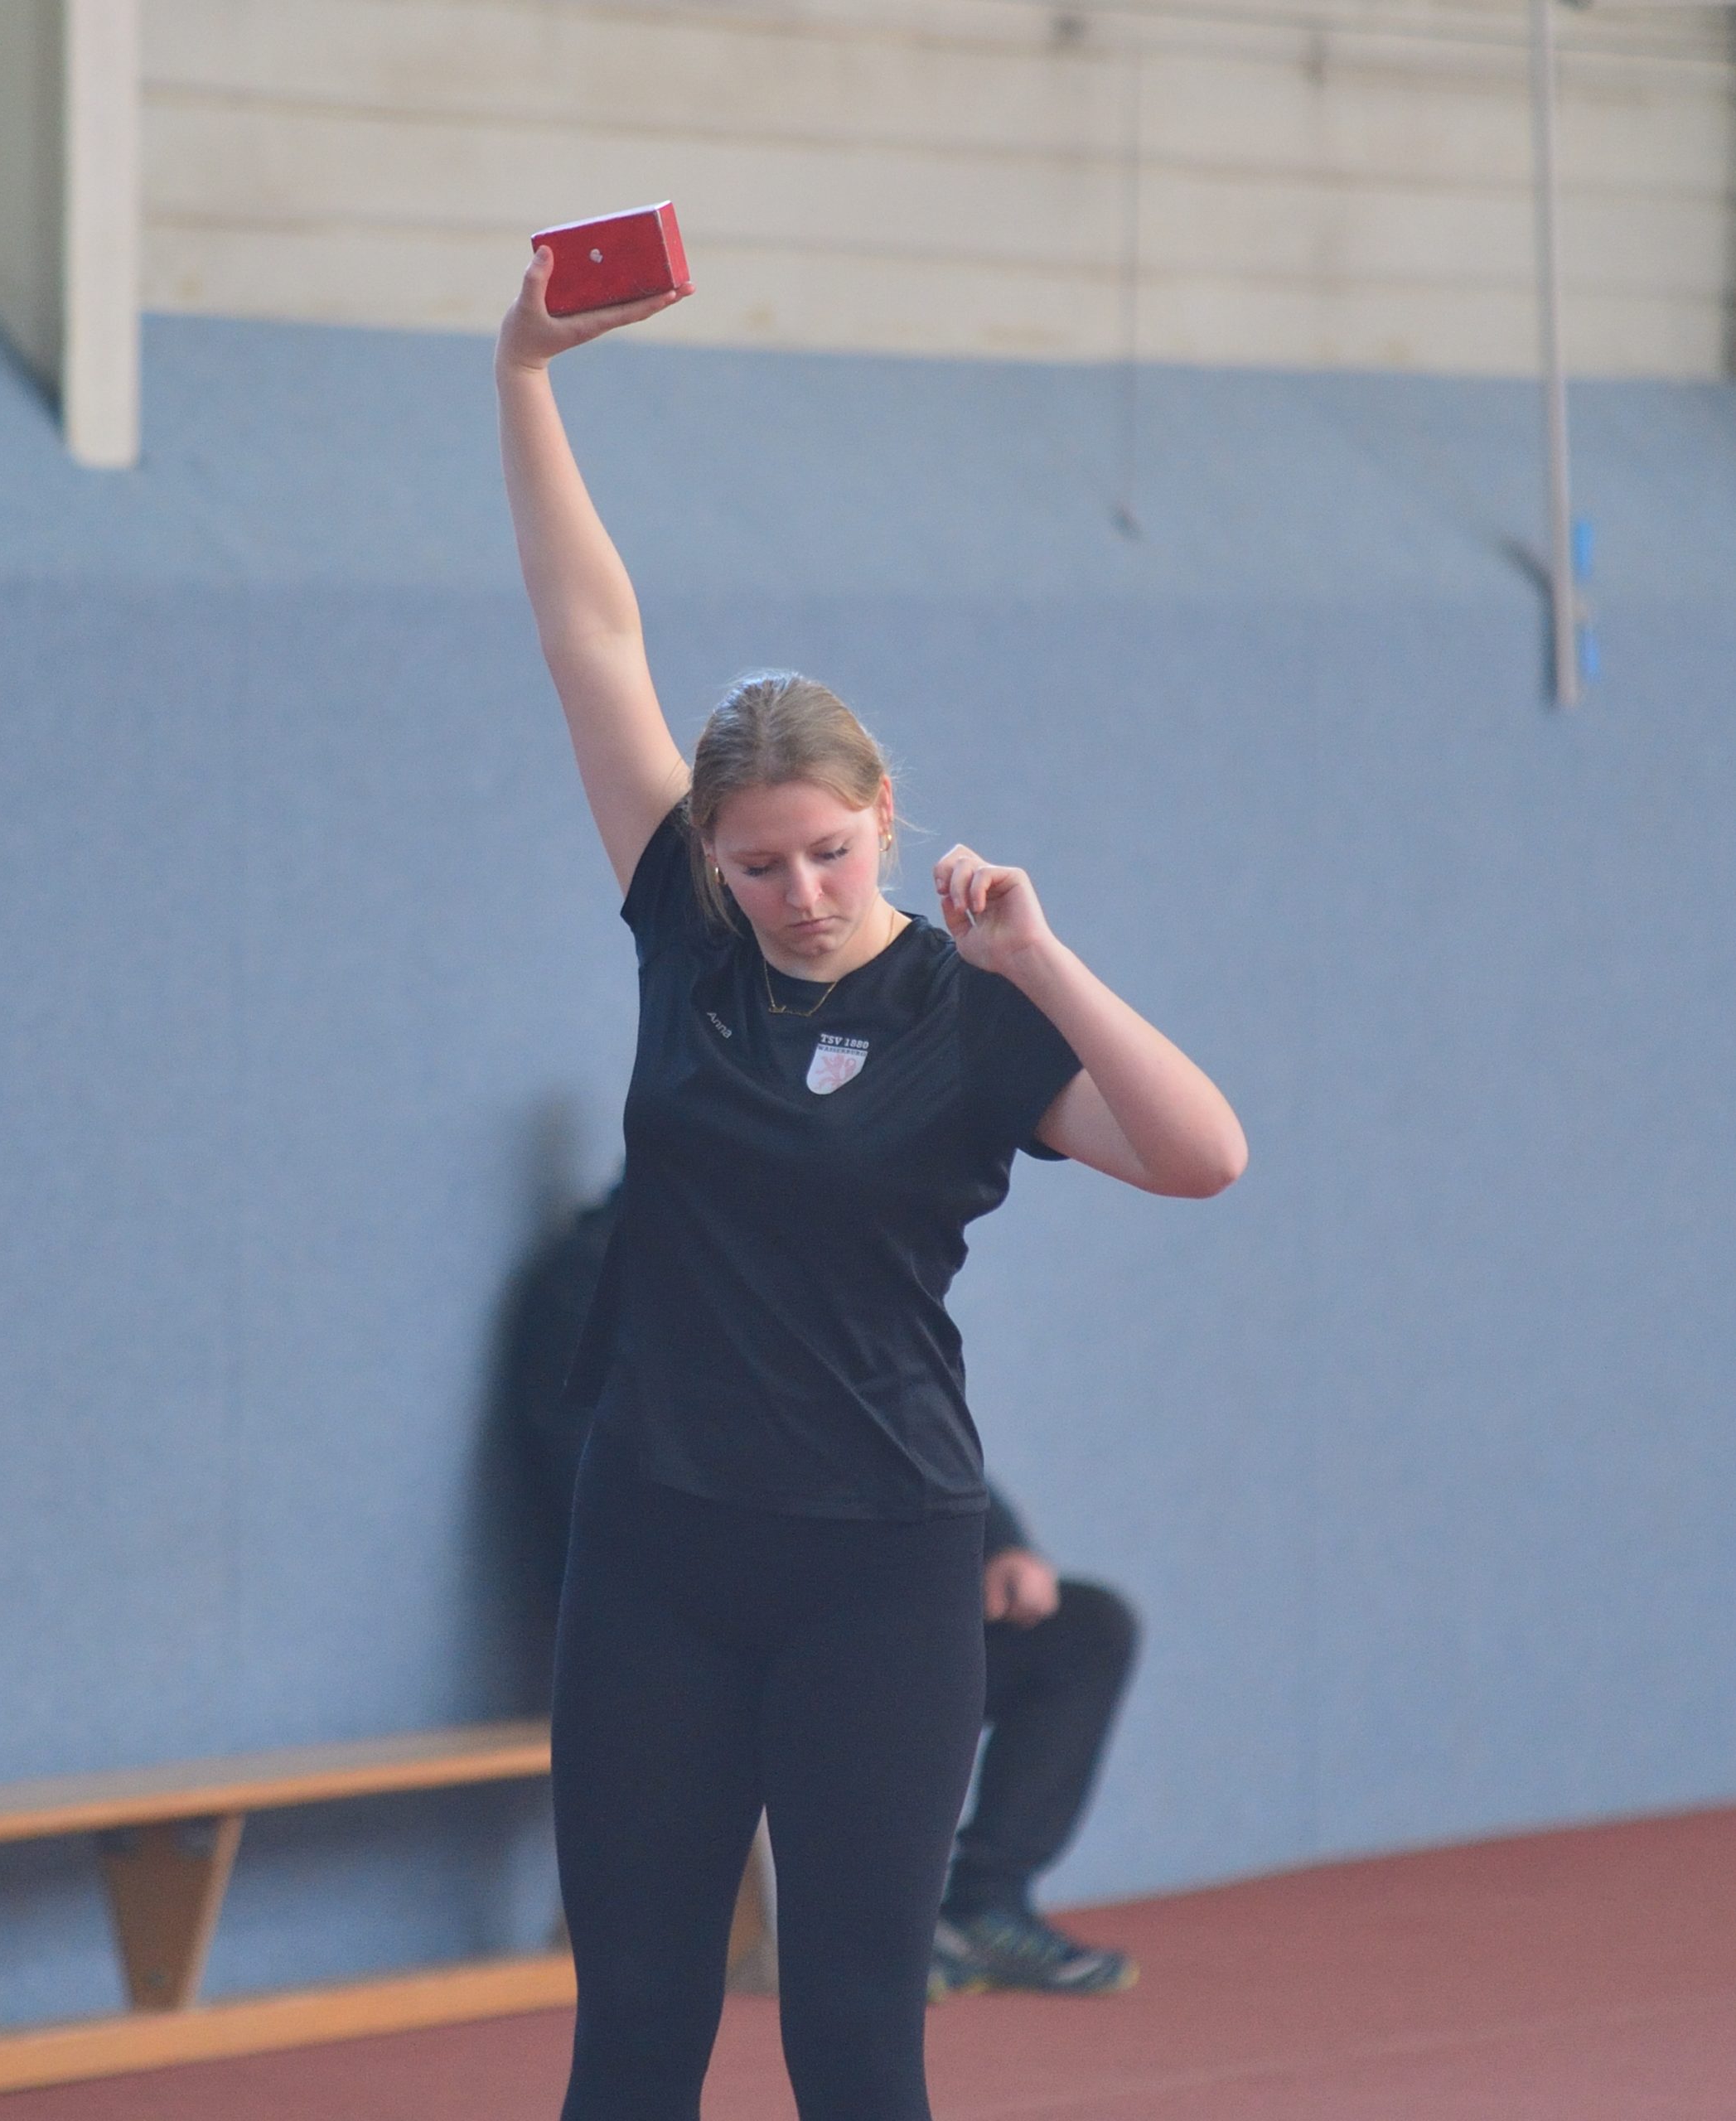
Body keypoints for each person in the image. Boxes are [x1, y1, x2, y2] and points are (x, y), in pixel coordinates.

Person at [496, 241, 1245, 2121]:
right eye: (757, 864)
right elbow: (591, 637)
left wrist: (1042, 959)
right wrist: (523, 372)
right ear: (709, 859)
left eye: (827, 851)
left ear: (883, 816)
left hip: (878, 1566)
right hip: (655, 1548)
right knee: (634, 2030)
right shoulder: (686, 943)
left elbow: (1200, 1155)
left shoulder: (973, 1013)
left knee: (851, 2038)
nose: (797, 893)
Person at [505, 1184, 1143, 2001]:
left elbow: (907, 1420)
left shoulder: (800, 1268)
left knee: (1081, 1631)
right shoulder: (594, 1284)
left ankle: (983, 1906)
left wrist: (999, 1541)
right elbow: (601, 1501)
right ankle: (857, 1939)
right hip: (694, 1636)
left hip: (852, 1610)